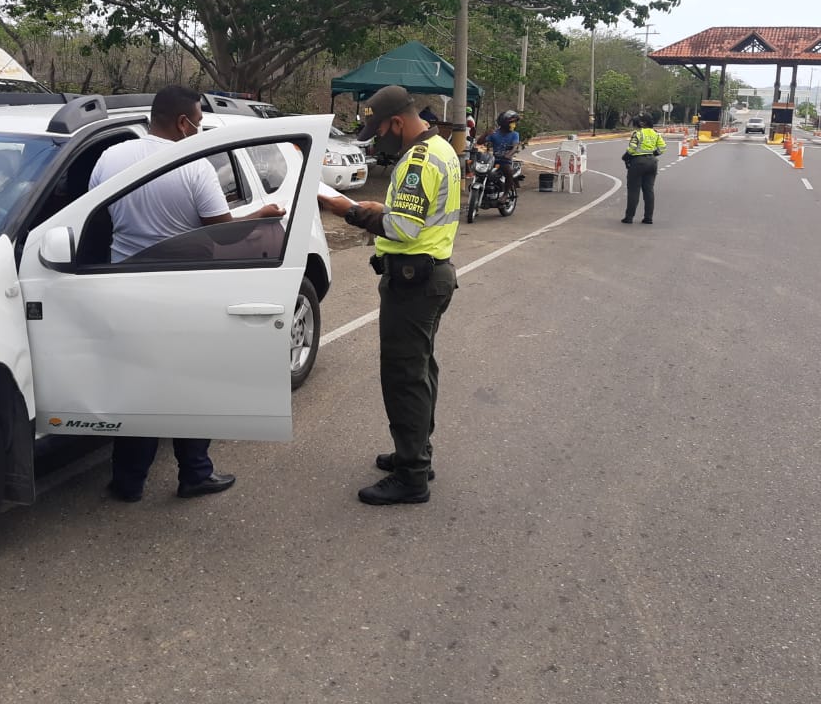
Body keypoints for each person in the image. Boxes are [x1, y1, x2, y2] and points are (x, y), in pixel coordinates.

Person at [88, 85, 284, 502]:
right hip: (184, 286)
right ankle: (195, 473)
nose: (200, 129)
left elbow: (96, 214)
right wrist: (262, 215)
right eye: (199, 121)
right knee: (192, 383)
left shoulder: (110, 158)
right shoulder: (194, 166)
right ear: (183, 122)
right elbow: (222, 231)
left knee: (137, 386)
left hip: (124, 285)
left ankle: (128, 482)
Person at [318, 85, 461, 505]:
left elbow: (404, 229)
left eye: (378, 130)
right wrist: (381, 207)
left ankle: (412, 475)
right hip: (432, 276)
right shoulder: (441, 147)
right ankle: (415, 453)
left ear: (396, 122)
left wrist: (349, 211)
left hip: (415, 282)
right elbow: (414, 212)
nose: (377, 138)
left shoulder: (417, 161)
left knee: (404, 378)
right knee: (420, 370)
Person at [622, 112, 667, 224]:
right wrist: (651, 155)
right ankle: (648, 218)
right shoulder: (656, 134)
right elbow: (662, 148)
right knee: (649, 191)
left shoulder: (638, 133)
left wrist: (625, 157)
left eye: (639, 121)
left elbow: (632, 148)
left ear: (643, 123)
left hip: (638, 163)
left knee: (633, 190)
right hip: (652, 163)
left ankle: (629, 217)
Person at [476, 110, 521, 198]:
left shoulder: (515, 134)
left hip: (505, 161)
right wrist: (485, 134)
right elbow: (479, 142)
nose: (513, 124)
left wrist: (508, 155)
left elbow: (515, 147)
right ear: (504, 123)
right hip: (493, 160)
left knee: (508, 171)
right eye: (511, 123)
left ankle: (505, 194)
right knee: (481, 172)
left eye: (514, 122)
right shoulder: (494, 134)